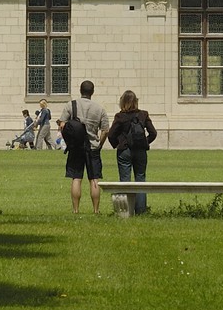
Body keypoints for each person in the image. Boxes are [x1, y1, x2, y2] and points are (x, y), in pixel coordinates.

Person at [59, 80, 111, 213]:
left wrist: (69, 141)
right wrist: (100, 144)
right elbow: (105, 130)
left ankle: (76, 209)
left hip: (76, 147)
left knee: (76, 178)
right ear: (92, 92)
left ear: (80, 90)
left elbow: (62, 125)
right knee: (94, 179)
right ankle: (96, 210)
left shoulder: (71, 105)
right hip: (93, 147)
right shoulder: (99, 109)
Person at [108, 89, 157, 214]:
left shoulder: (120, 116)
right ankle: (141, 210)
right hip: (140, 151)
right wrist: (145, 142)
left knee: (125, 181)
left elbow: (111, 134)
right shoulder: (143, 115)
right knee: (140, 179)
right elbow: (153, 133)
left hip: (124, 151)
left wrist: (118, 144)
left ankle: (126, 211)